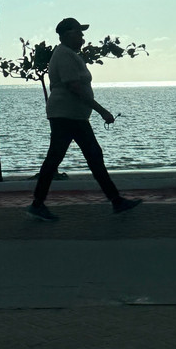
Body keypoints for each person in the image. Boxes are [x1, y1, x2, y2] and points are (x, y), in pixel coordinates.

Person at [28, 17, 142, 221]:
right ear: (67, 34)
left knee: (79, 156)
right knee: (77, 156)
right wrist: (101, 110)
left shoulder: (68, 54)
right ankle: (115, 200)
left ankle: (115, 200)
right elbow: (75, 87)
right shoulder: (64, 55)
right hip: (67, 116)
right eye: (79, 33)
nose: (82, 37)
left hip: (71, 115)